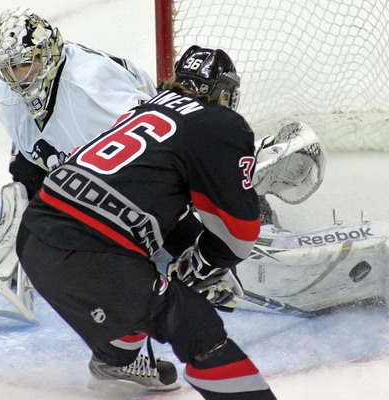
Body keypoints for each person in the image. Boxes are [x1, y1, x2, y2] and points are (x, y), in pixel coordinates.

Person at [16, 45, 277, 399]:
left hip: (36, 234)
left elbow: (148, 199)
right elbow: (239, 235)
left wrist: (190, 256)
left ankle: (117, 360)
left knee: (138, 294)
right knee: (197, 327)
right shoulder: (219, 122)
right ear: (225, 93)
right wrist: (202, 264)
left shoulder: (144, 108)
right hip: (85, 252)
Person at [0, 7, 179, 391]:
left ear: (48, 56)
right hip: (91, 165)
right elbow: (30, 153)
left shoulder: (91, 88)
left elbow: (160, 149)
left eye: (24, 65)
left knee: (131, 257)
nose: (14, 79)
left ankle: (125, 350)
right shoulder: (18, 91)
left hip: (143, 167)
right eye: (6, 69)